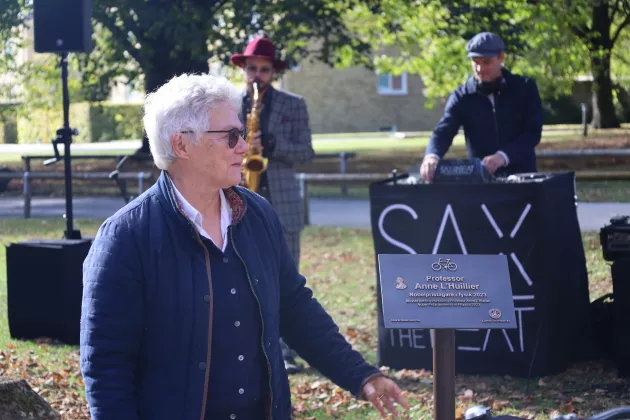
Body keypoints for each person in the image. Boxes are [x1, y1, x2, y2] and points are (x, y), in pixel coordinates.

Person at [79, 73, 409, 420]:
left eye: (243, 134)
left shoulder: (258, 215)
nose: (244, 146)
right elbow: (106, 369)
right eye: (231, 136)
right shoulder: (126, 237)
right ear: (182, 145)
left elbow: (295, 309)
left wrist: (362, 375)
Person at [230, 37, 314, 374]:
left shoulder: (293, 104)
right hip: (237, 201)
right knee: (239, 277)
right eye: (252, 68)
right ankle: (247, 346)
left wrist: (273, 145)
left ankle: (284, 350)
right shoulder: (228, 105)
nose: (257, 75)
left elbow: (306, 153)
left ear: (273, 72)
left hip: (283, 205)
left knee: (285, 280)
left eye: (264, 69)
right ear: (243, 69)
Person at [420, 31, 543, 183]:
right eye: (475, 62)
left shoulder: (525, 88)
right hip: (481, 183)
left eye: (486, 62)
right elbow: (444, 131)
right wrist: (432, 156)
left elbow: (532, 133)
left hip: (522, 179)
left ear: (501, 58)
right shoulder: (461, 96)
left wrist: (503, 156)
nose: (479, 69)